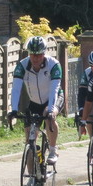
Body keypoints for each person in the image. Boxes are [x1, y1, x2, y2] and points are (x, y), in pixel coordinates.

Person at [8, 36, 64, 165]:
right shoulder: (22, 66)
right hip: (34, 102)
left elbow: (54, 90)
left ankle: (53, 150)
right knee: (29, 141)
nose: (35, 58)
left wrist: (51, 110)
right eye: (32, 54)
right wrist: (14, 110)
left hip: (54, 98)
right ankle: (31, 175)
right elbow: (15, 89)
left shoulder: (54, 65)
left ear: (44, 53)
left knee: (49, 115)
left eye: (38, 55)